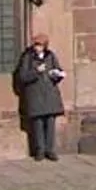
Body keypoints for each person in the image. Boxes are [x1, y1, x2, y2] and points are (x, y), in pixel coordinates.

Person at [12, 34, 66, 162]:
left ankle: (50, 150)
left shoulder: (50, 56)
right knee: (38, 124)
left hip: (49, 94)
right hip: (35, 95)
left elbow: (57, 69)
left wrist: (57, 74)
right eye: (36, 45)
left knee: (50, 123)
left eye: (40, 45)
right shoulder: (27, 57)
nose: (37, 48)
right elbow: (22, 76)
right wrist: (36, 71)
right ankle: (39, 150)